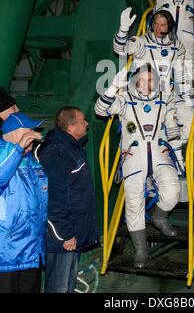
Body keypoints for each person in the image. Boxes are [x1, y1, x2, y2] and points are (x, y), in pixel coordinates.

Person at [95, 63, 181, 269]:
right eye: (142, 79)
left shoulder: (164, 100)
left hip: (160, 154)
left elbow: (172, 126)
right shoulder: (124, 101)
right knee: (133, 203)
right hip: (133, 156)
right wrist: (113, 87)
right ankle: (141, 250)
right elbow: (99, 109)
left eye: (151, 80)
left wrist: (173, 127)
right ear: (135, 81)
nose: (146, 84)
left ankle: (160, 217)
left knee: (173, 190)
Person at [113, 6, 194, 169]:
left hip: (167, 94)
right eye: (156, 24)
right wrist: (123, 30)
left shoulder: (177, 46)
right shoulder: (141, 42)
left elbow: (180, 72)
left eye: (163, 25)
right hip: (143, 96)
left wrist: (184, 94)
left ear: (169, 26)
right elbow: (120, 48)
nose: (158, 28)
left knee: (191, 120)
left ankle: (174, 150)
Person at [37, 106, 99, 293]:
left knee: (67, 285)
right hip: (63, 238)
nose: (87, 123)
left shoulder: (74, 148)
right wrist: (65, 234)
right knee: (59, 287)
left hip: (73, 233)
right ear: (71, 127)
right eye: (83, 121)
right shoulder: (58, 154)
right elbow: (53, 199)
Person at [0, 112, 48, 293]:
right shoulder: (4, 153)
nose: (34, 133)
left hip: (31, 250)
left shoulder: (31, 161)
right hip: (7, 254)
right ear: (15, 132)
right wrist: (19, 147)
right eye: (30, 129)